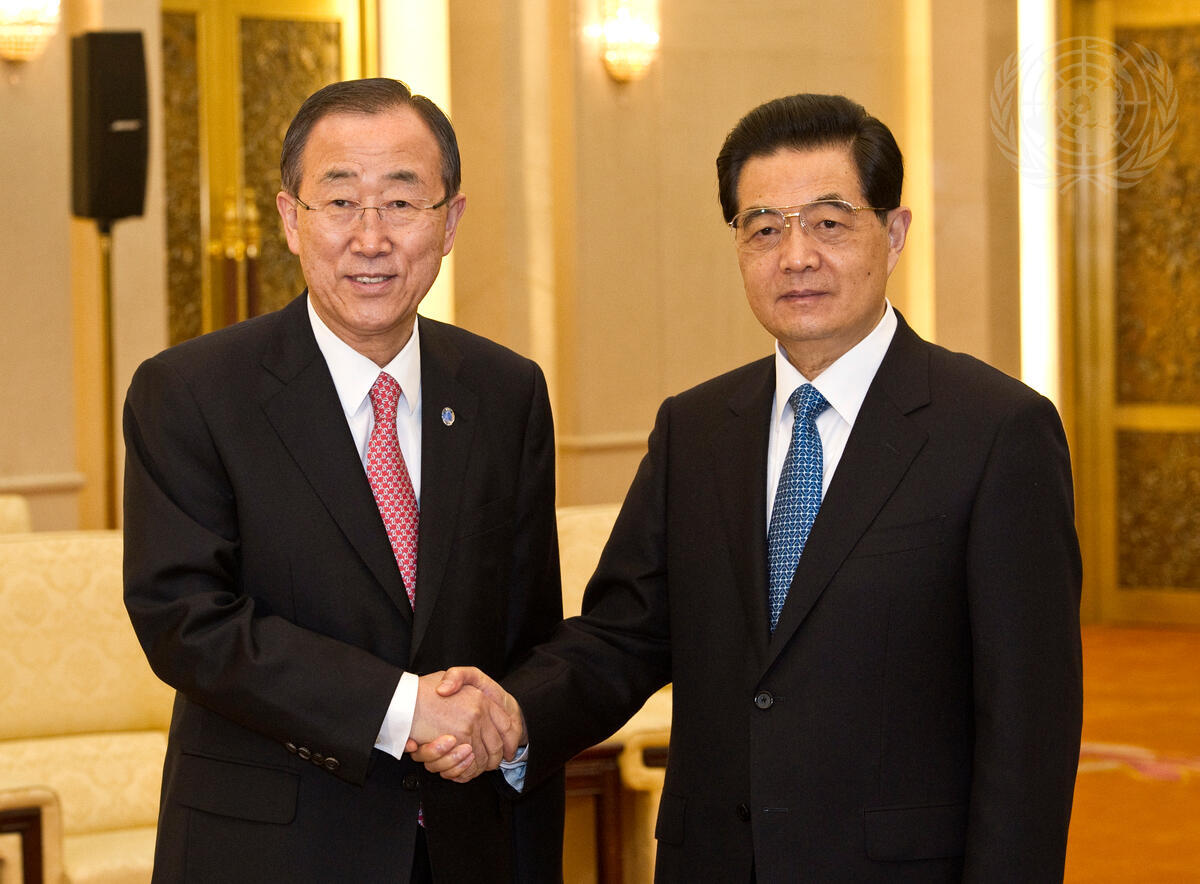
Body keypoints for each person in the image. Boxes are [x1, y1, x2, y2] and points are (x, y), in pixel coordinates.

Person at [418, 93, 1083, 881]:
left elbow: (1029, 725)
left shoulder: (996, 431)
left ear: (895, 232)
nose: (795, 256)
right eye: (764, 228)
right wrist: (514, 712)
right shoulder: (696, 429)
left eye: (829, 223)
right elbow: (625, 636)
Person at [122, 78, 564, 883]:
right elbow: (186, 620)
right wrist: (402, 709)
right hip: (271, 853)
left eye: (401, 202)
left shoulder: (506, 392)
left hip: (466, 846)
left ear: (450, 222)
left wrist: (507, 723)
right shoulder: (192, 393)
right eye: (339, 201)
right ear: (291, 219)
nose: (371, 237)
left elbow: (526, 631)